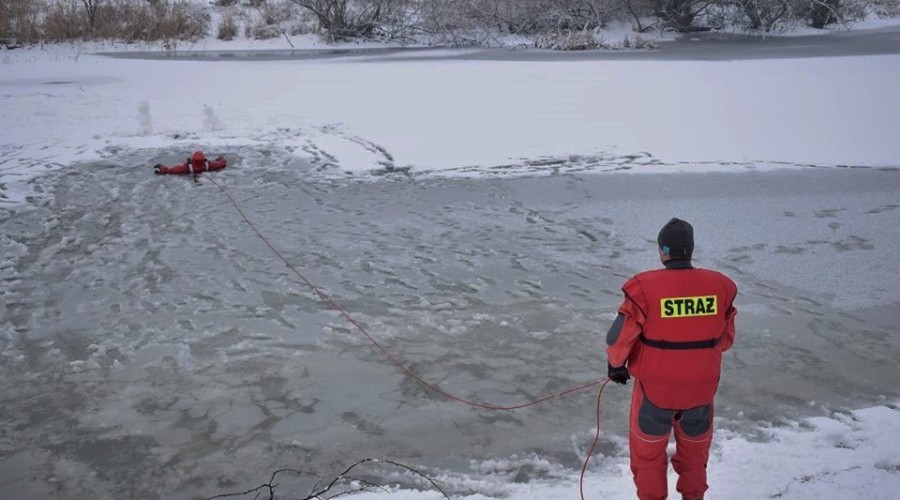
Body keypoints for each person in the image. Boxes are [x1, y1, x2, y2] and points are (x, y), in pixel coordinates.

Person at [605, 218, 738, 500]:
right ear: (690, 250)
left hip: (654, 393)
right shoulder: (721, 287)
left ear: (662, 251)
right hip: (701, 392)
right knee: (694, 456)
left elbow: (617, 340)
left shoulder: (643, 288)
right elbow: (725, 341)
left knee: (648, 458)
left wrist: (616, 367)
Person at [154, 150, 226, 175]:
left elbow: (168, 171)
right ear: (203, 158)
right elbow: (223, 164)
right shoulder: (210, 165)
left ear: (193, 158)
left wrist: (160, 166)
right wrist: (221, 159)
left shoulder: (186, 167)